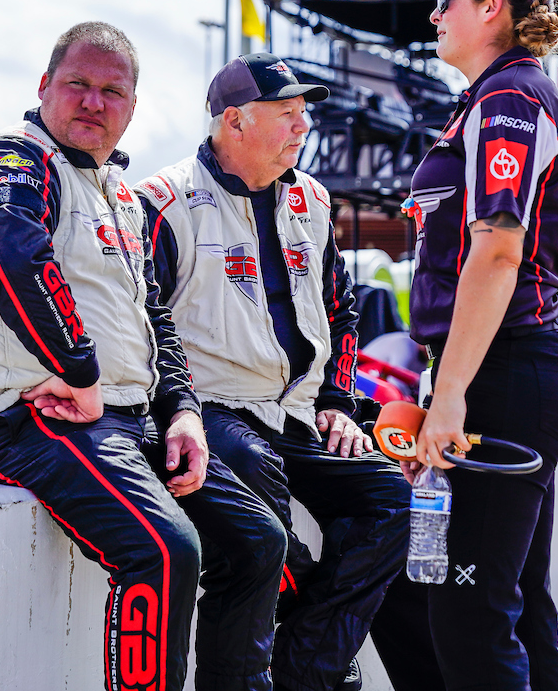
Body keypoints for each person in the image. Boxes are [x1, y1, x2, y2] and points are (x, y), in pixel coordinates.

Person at [0, 22, 288, 691]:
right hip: (21, 415)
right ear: (44, 85)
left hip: (124, 419)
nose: (93, 103)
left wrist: (182, 412)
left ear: (133, 106)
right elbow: (15, 263)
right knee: (165, 553)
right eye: (78, 84)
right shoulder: (11, 161)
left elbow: (154, 313)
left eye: (113, 92)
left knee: (258, 541)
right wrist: (80, 372)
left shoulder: (120, 195)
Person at [137, 53, 443, 691]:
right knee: (258, 492)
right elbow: (146, 323)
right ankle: (323, 663)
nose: (303, 125)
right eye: (286, 113)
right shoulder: (164, 200)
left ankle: (307, 669)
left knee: (394, 500)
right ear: (234, 121)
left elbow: (341, 310)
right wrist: (177, 411)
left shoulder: (313, 198)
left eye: (304, 112)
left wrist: (336, 401)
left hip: (299, 412)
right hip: (212, 411)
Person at [404, 0, 558, 690]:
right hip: (514, 370)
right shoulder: (501, 95)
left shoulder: (509, 98)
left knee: (471, 613)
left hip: (506, 372)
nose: (434, 14)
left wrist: (449, 394)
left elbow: (499, 252)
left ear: (490, 7)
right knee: (517, 603)